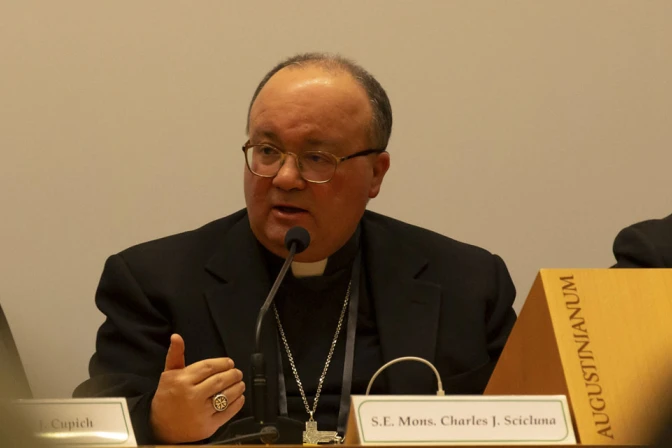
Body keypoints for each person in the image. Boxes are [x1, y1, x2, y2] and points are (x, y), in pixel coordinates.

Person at [74, 53, 517, 445]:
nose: (285, 177)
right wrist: (156, 422)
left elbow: (526, 418)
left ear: (376, 174)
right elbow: (92, 429)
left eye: (317, 158)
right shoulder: (154, 281)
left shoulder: (469, 284)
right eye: (267, 150)